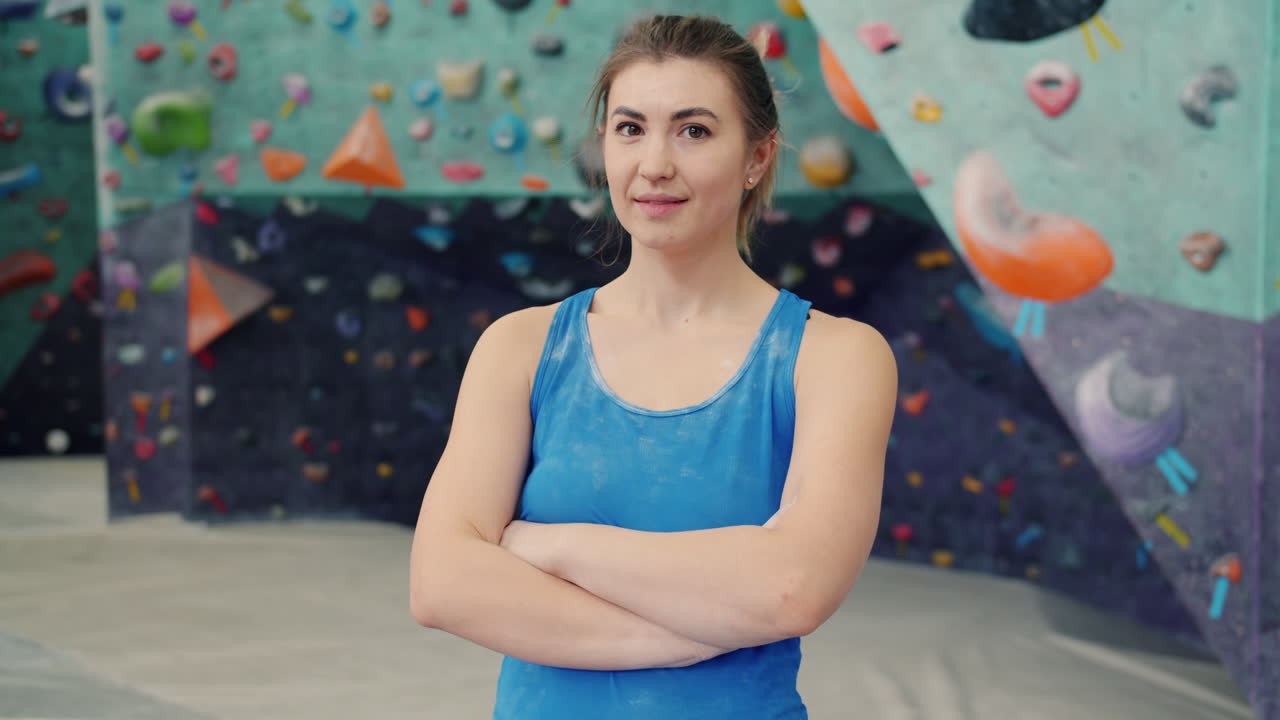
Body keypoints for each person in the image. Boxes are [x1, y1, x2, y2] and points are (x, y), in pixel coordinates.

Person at [409, 14, 897, 719]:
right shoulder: (519, 348)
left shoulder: (835, 357)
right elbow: (442, 583)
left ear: (757, 156)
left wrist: (549, 546)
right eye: (630, 128)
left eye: (694, 130)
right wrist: (687, 632)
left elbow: (794, 587)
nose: (654, 164)